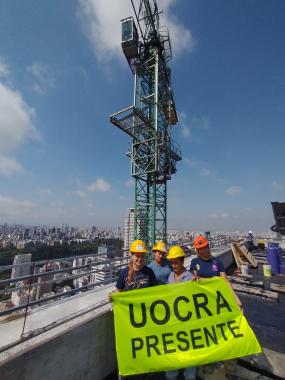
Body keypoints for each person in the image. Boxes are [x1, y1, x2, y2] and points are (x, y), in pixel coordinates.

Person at [191, 235, 242, 380]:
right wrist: (213, 280)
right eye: (200, 249)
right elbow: (195, 281)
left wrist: (236, 299)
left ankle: (230, 371)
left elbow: (225, 281)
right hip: (202, 307)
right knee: (205, 337)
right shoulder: (195, 263)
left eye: (205, 247)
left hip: (219, 304)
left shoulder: (217, 262)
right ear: (197, 250)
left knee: (228, 335)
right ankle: (204, 366)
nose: (204, 250)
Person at [110, 239, 157, 380]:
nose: (139, 258)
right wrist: (113, 296)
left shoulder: (149, 272)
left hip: (145, 319)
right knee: (129, 348)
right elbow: (119, 291)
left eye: (142, 255)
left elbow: (156, 294)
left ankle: (144, 372)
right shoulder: (124, 273)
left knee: (144, 348)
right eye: (137, 255)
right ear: (131, 255)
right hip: (129, 320)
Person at [165, 246, 196, 380]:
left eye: (176, 262)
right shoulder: (171, 275)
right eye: (171, 262)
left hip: (186, 322)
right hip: (173, 321)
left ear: (182, 261)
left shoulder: (190, 278)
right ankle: (171, 376)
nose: (173, 265)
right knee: (172, 353)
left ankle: (190, 376)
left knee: (188, 354)